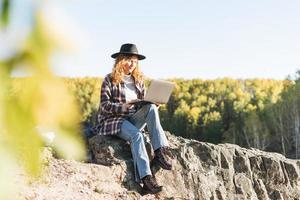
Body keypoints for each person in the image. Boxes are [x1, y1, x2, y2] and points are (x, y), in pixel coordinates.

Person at [95, 43, 172, 194]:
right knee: (137, 136)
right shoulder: (109, 79)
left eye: (135, 61)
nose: (132, 64)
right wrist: (122, 106)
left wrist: (154, 104)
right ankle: (146, 178)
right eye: (129, 60)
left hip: (133, 118)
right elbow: (104, 106)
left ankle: (161, 151)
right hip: (114, 120)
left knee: (150, 108)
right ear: (121, 60)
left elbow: (144, 103)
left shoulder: (138, 81)